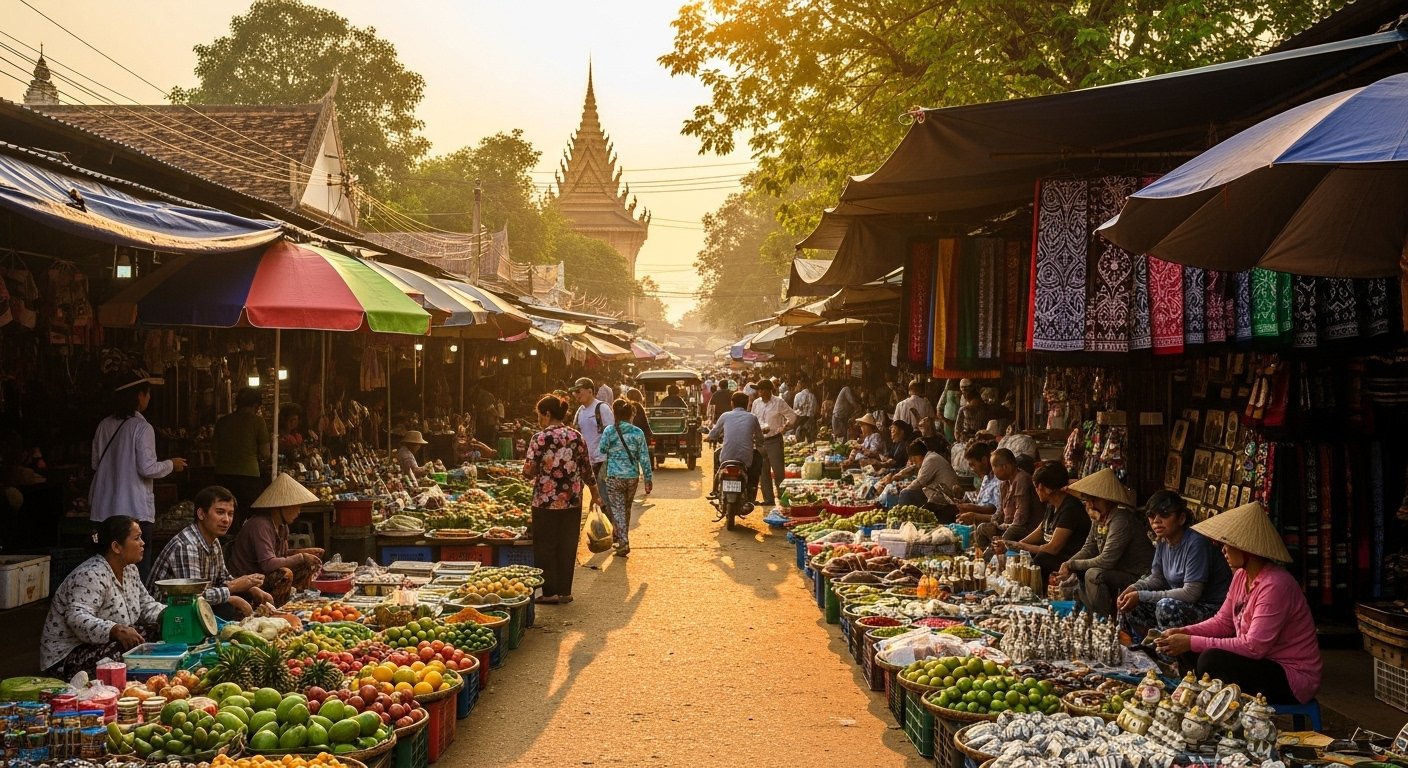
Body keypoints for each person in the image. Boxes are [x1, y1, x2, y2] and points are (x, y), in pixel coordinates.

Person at [1153, 502, 1319, 702]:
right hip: (1260, 662)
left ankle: (1205, 707)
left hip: (1290, 676)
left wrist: (1192, 641)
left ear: (1246, 549)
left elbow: (1253, 646)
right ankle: (1193, 704)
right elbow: (1223, 622)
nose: (1223, 550)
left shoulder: (1276, 585)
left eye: (1228, 544)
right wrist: (1186, 633)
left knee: (1210, 659)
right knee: (1181, 646)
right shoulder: (1241, 575)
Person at [40, 516, 165, 680]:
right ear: (116, 546)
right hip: (67, 658)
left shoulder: (131, 571)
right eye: (136, 538)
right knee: (125, 649)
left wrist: (172, 615)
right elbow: (76, 618)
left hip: (101, 646)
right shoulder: (91, 574)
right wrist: (114, 630)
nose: (143, 543)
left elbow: (147, 606)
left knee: (157, 630)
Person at [90, 369, 187, 579]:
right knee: (137, 571)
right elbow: (147, 468)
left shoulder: (103, 425)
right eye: (147, 393)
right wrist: (172, 464)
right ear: (139, 396)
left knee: (106, 567)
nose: (149, 398)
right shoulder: (142, 428)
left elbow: (95, 463)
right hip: (133, 512)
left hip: (104, 510)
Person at [1117, 490, 1231, 644]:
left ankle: (1170, 659)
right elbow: (1157, 578)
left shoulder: (1196, 543)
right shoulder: (1163, 542)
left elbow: (1191, 593)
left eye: (1164, 515)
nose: (1156, 521)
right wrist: (1135, 588)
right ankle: (1147, 646)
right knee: (1132, 602)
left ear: (1181, 518)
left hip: (1209, 608)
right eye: (1151, 515)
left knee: (1166, 606)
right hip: (1185, 603)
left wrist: (1142, 595)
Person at [148, 486, 272, 619]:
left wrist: (250, 587)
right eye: (220, 512)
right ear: (201, 514)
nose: (226, 519)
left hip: (195, 603)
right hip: (169, 614)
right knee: (227, 608)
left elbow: (222, 578)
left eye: (230, 514)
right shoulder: (187, 545)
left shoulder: (214, 541)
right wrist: (232, 593)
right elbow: (193, 598)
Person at [524, 394, 596, 604]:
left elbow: (529, 471)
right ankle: (565, 591)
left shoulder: (539, 438)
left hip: (545, 501)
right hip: (572, 499)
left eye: (539, 415)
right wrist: (596, 495)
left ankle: (549, 592)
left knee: (545, 545)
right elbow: (587, 469)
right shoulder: (576, 437)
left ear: (547, 414)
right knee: (567, 544)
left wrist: (536, 470)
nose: (539, 420)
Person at [1054, 468, 1155, 616]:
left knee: (1092, 574)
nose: (1089, 504)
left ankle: (1105, 619)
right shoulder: (1100, 517)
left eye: (1093, 499)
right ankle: (1089, 614)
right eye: (1088, 500)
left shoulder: (1120, 519)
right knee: (1080, 571)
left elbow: (1106, 560)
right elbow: (1089, 548)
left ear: (1106, 500)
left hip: (1138, 574)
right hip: (1118, 570)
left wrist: (1072, 564)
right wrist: (1068, 564)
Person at [228, 473, 323, 606]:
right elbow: (268, 564)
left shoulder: (282, 526)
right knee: (285, 574)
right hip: (246, 578)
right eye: (296, 507)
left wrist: (304, 552)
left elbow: (281, 556)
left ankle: (298, 604)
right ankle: (276, 610)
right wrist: (301, 556)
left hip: (263, 574)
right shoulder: (260, 525)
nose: (299, 512)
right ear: (283, 506)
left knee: (306, 565)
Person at [1001, 463, 1090, 584]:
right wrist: (1017, 544)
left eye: (1037, 487)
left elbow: (1053, 548)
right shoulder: (1052, 504)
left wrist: (1021, 546)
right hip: (1054, 555)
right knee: (1021, 555)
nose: (1036, 491)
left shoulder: (1071, 509)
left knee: (1040, 559)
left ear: (1045, 488)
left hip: (1068, 559)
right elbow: (1042, 530)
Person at [597, 399, 653, 557]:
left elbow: (602, 448)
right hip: (632, 477)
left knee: (618, 510)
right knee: (625, 509)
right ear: (631, 415)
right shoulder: (637, 432)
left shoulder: (609, 431)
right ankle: (623, 539)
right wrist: (648, 479)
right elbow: (644, 458)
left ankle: (623, 542)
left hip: (614, 476)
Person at [214, 388, 269, 530]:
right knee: (251, 517)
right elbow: (266, 453)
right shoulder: (258, 422)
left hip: (223, 475)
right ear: (256, 405)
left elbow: (214, 450)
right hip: (249, 477)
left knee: (226, 514)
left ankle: (227, 544)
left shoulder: (222, 422)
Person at [973, 448, 1037, 553]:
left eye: (994, 467)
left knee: (1005, 537)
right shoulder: (1004, 484)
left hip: (1024, 528)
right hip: (1008, 526)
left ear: (1005, 467)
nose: (993, 472)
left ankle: (989, 559)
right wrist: (995, 522)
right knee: (982, 528)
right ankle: (982, 557)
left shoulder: (1022, 479)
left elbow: (1021, 518)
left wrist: (1004, 528)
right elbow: (1000, 512)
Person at [706, 391, 764, 505]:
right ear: (747, 404)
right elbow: (759, 437)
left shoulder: (725, 415)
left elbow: (714, 433)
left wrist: (708, 438)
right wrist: (760, 443)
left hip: (726, 457)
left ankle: (715, 488)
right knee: (756, 464)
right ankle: (752, 492)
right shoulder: (752, 418)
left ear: (732, 404)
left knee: (716, 455)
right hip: (745, 459)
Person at [749, 379, 796, 506]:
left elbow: (792, 416)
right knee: (763, 472)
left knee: (778, 471)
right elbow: (753, 419)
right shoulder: (756, 403)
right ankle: (768, 499)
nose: (759, 392)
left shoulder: (779, 402)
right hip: (760, 441)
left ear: (768, 390)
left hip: (774, 440)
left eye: (761, 389)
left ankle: (782, 497)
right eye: (758, 389)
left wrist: (785, 427)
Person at [895, 440, 964, 519]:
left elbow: (919, 482)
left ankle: (902, 520)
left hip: (945, 499)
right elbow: (915, 470)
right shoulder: (930, 458)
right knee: (907, 492)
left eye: (913, 458)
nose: (912, 461)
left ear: (919, 455)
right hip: (939, 494)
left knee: (905, 494)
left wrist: (904, 489)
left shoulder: (930, 460)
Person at [572, 377, 615, 496]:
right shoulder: (580, 411)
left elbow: (612, 433)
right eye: (575, 392)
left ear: (590, 391)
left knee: (603, 496)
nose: (576, 395)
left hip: (602, 460)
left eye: (579, 391)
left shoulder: (602, 408)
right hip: (586, 461)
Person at [955, 442, 1001, 525]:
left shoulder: (999, 478)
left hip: (988, 522)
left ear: (984, 460)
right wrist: (964, 504)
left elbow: (993, 509)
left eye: (973, 465)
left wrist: (971, 508)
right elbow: (981, 501)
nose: (972, 469)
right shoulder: (986, 477)